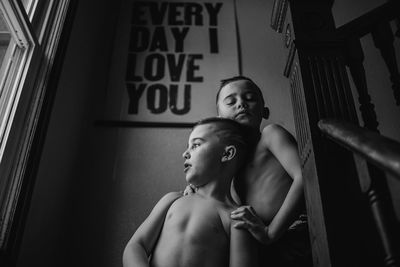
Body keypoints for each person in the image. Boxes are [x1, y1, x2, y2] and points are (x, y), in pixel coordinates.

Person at [186, 76, 311, 266]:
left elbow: (304, 176)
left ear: (264, 110)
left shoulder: (270, 136)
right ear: (220, 118)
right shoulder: (229, 160)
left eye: (250, 98)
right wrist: (197, 192)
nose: (241, 104)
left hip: (290, 232)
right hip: (257, 243)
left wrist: (270, 233)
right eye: (231, 101)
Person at [122, 117, 259, 267]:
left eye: (195, 145)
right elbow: (135, 246)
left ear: (227, 154)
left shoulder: (236, 218)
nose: (185, 153)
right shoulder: (172, 200)